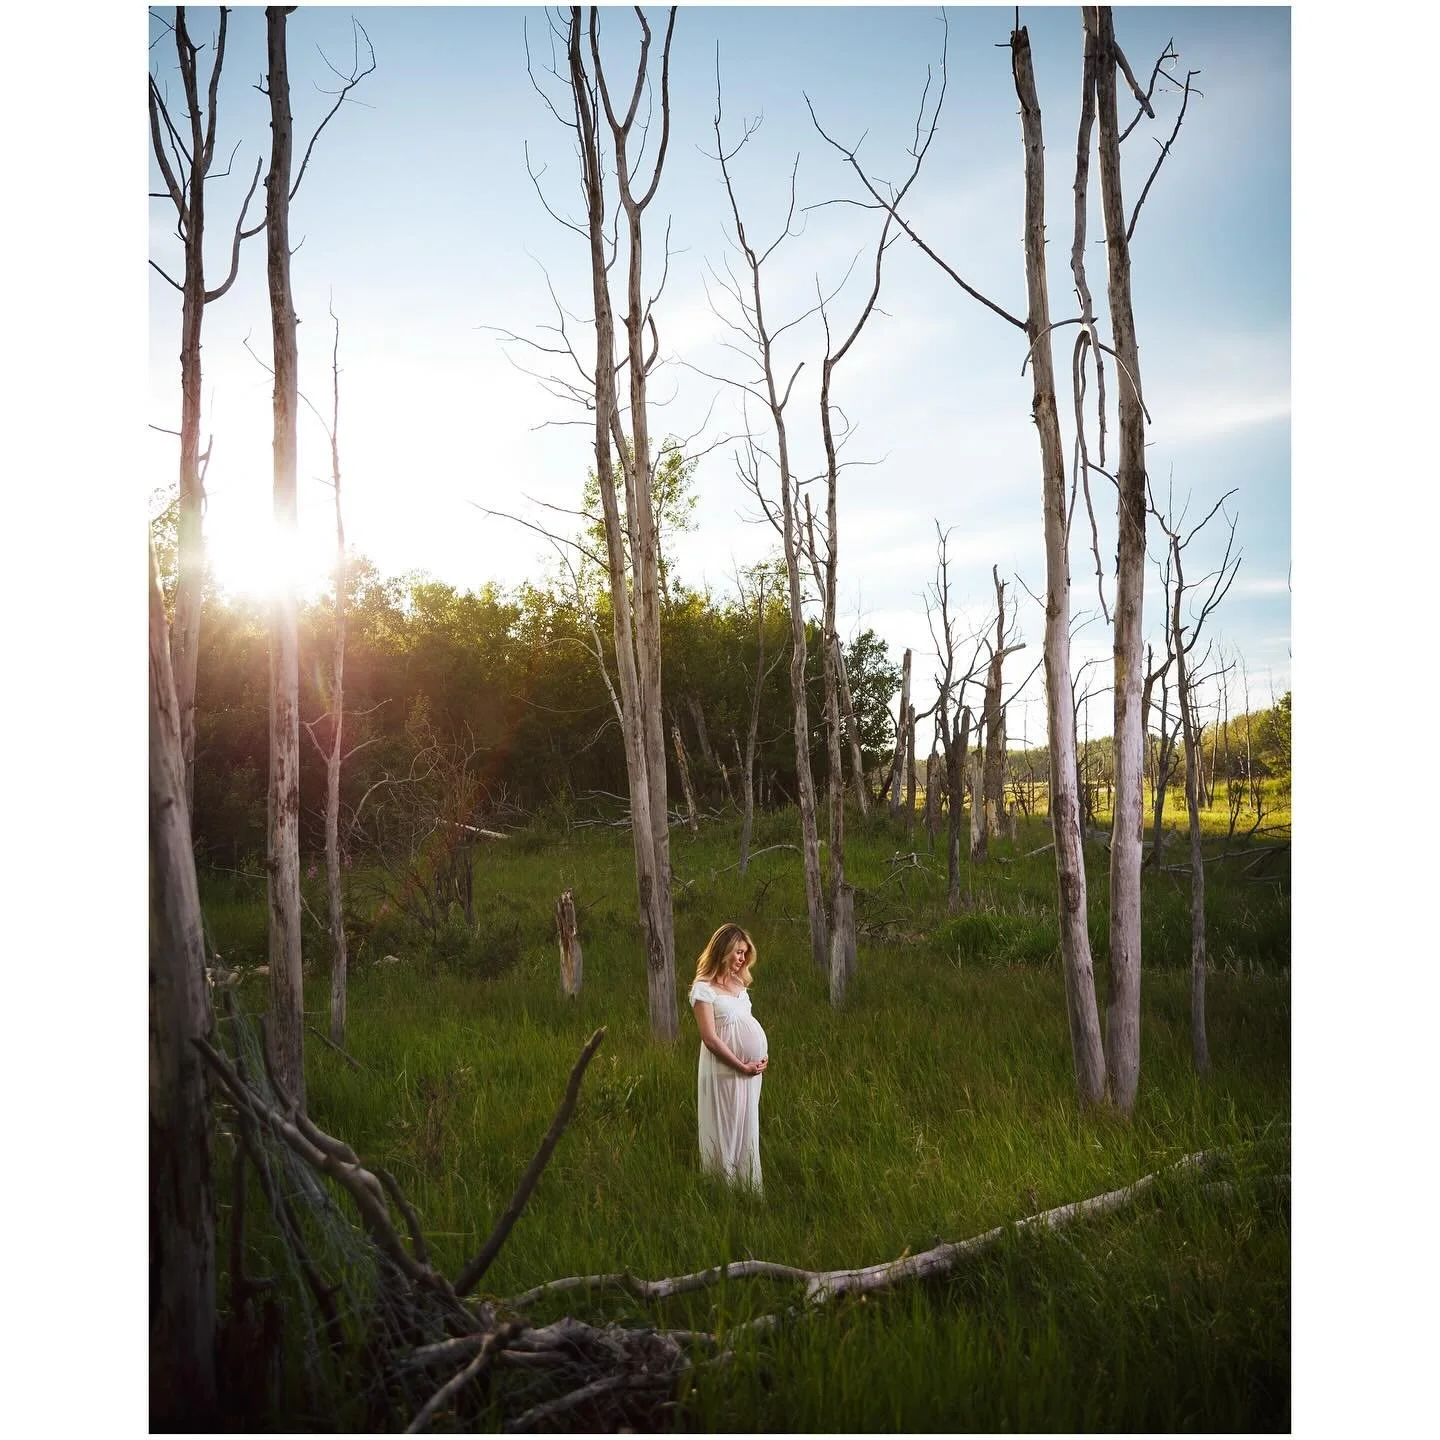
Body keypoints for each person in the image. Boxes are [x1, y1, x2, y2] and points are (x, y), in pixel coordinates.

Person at [687, 922, 768, 1192]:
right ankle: (723, 1189)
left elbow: (747, 1022)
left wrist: (760, 1058)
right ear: (723, 951)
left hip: (750, 1071)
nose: (743, 958)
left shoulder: (738, 984)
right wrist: (740, 1065)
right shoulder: (703, 989)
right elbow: (709, 1038)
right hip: (725, 1068)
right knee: (726, 1127)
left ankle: (747, 1188)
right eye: (738, 952)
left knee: (746, 1126)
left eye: (745, 953)